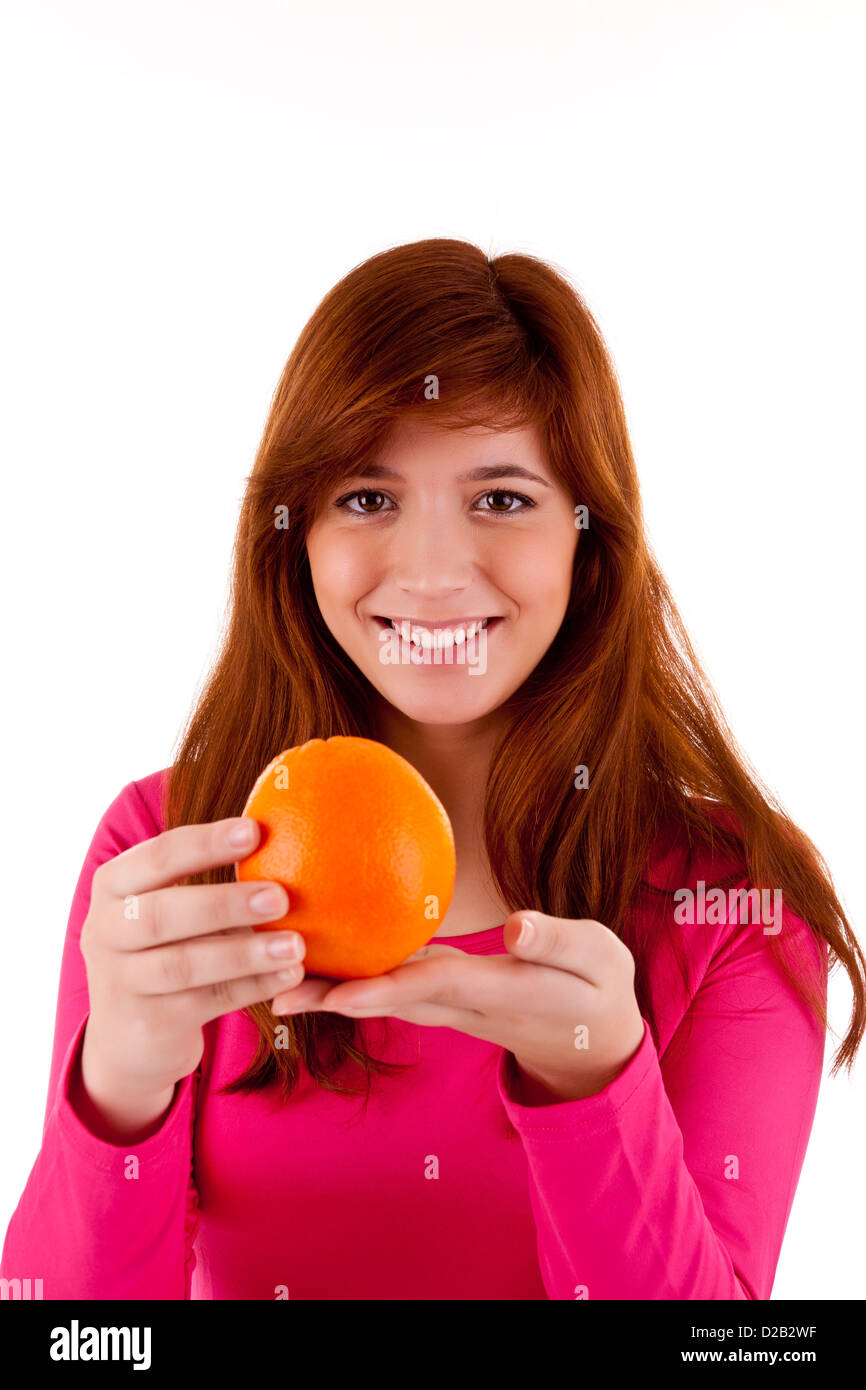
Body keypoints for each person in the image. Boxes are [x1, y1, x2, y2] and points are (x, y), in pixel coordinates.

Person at [2, 239, 863, 1301]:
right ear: (296, 536)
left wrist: (593, 1088)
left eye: (500, 499)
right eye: (367, 497)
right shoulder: (164, 858)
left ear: (588, 543)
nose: (431, 572)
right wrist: (118, 1080)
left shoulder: (732, 896)